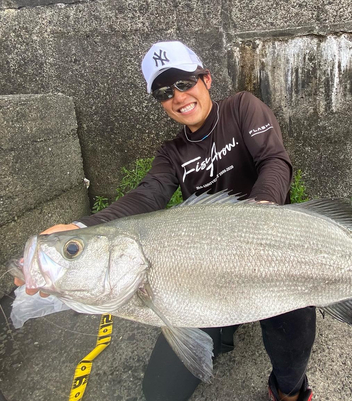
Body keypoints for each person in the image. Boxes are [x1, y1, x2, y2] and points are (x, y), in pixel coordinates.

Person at [14, 41, 316, 401]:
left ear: (206, 79)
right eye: (164, 91)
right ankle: (222, 326)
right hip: (201, 272)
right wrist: (81, 230)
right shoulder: (172, 153)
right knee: (161, 391)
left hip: (268, 248)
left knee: (293, 322)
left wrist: (260, 213)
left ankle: (288, 391)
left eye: (185, 82)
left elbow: (274, 162)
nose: (178, 96)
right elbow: (147, 196)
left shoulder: (242, 108)